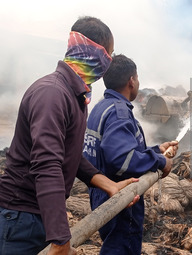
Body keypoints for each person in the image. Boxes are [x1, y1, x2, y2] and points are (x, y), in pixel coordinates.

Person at [0, 16, 139, 255]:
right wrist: (61, 238)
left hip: (37, 215)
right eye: (109, 54)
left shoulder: (75, 95)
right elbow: (47, 164)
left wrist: (108, 185)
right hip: (21, 217)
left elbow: (68, 154)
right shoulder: (53, 94)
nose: (108, 63)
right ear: (94, 52)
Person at [83, 54, 178, 254]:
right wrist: (160, 161)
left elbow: (118, 149)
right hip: (122, 196)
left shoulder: (101, 106)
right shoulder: (119, 112)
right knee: (122, 247)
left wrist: (155, 150)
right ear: (131, 81)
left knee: (113, 243)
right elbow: (121, 159)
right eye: (138, 77)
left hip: (102, 190)